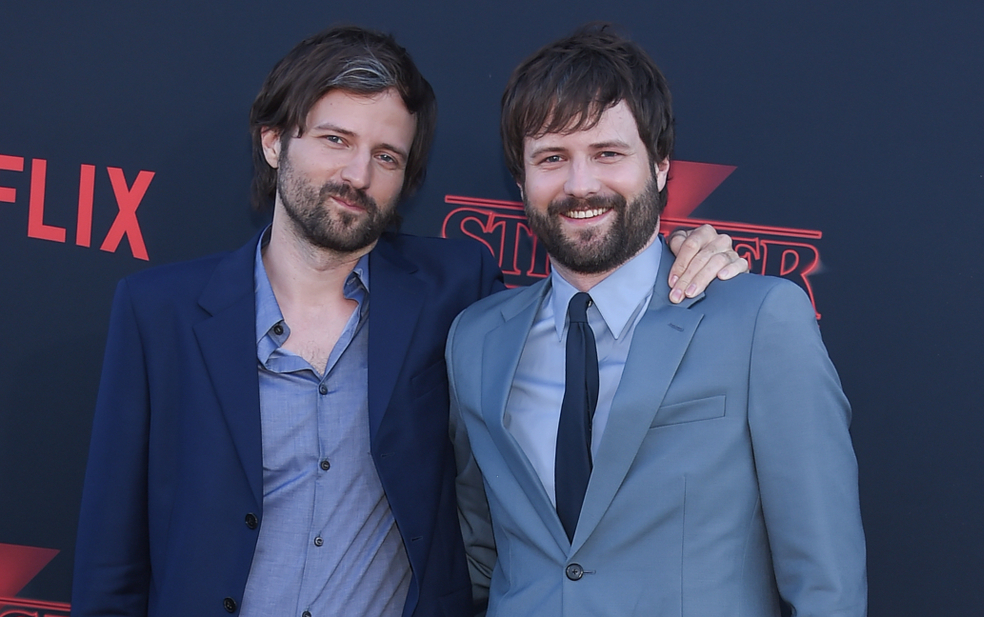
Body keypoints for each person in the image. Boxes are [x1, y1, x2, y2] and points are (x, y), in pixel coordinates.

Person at [71, 25, 744, 617]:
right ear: (275, 141)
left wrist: (685, 251)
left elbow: (590, 291)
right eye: (335, 140)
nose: (357, 173)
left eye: (386, 156)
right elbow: (111, 559)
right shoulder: (158, 311)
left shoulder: (458, 290)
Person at [448, 25, 867, 617]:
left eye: (608, 153)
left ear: (662, 165)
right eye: (552, 158)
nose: (580, 184)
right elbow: (481, 554)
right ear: (520, 181)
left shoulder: (758, 321)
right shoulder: (474, 340)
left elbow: (827, 584)